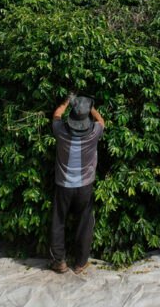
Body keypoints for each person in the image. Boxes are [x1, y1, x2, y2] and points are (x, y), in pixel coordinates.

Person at [49, 94, 105, 274]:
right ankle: (80, 263)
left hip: (63, 185)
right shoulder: (95, 132)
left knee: (58, 221)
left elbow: (56, 115)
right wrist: (89, 108)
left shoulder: (60, 131)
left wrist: (67, 102)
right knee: (84, 223)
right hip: (85, 187)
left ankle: (59, 261)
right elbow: (101, 120)